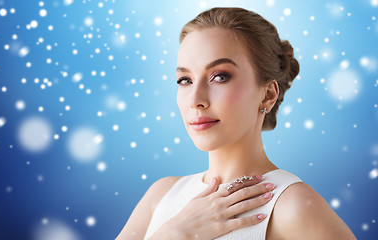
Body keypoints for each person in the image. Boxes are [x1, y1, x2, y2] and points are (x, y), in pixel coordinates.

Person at [116, 7, 357, 240]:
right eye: (185, 80)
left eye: (220, 77)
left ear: (268, 95)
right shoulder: (162, 195)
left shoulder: (291, 206)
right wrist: (175, 234)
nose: (196, 100)